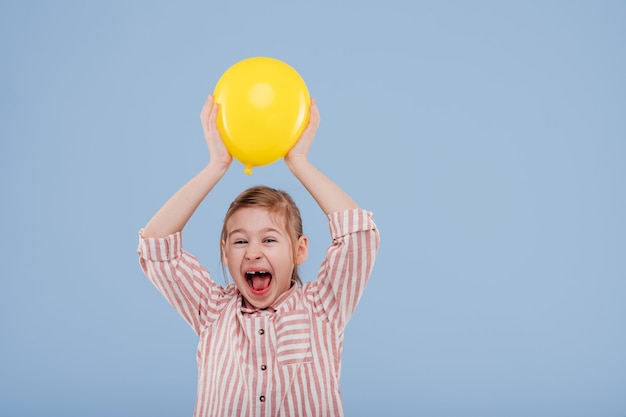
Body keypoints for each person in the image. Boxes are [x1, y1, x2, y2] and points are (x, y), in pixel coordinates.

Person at [137, 93, 380, 416]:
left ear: (299, 250)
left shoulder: (323, 306)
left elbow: (358, 236)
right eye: (240, 242)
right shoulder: (211, 310)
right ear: (224, 253)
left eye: (269, 240)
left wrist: (299, 162)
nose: (252, 253)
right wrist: (216, 165)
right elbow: (156, 246)